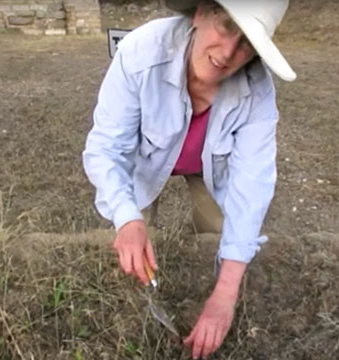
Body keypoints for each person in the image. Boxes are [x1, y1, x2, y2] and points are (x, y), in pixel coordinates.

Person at [83, 0, 296, 358]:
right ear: (200, 12)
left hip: (209, 168)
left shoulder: (257, 91)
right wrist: (127, 217)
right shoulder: (140, 52)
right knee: (131, 238)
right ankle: (139, 305)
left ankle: (206, 287)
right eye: (226, 25)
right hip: (145, 163)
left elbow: (252, 183)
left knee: (219, 229)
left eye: (246, 41)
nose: (228, 52)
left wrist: (225, 295)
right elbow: (106, 148)